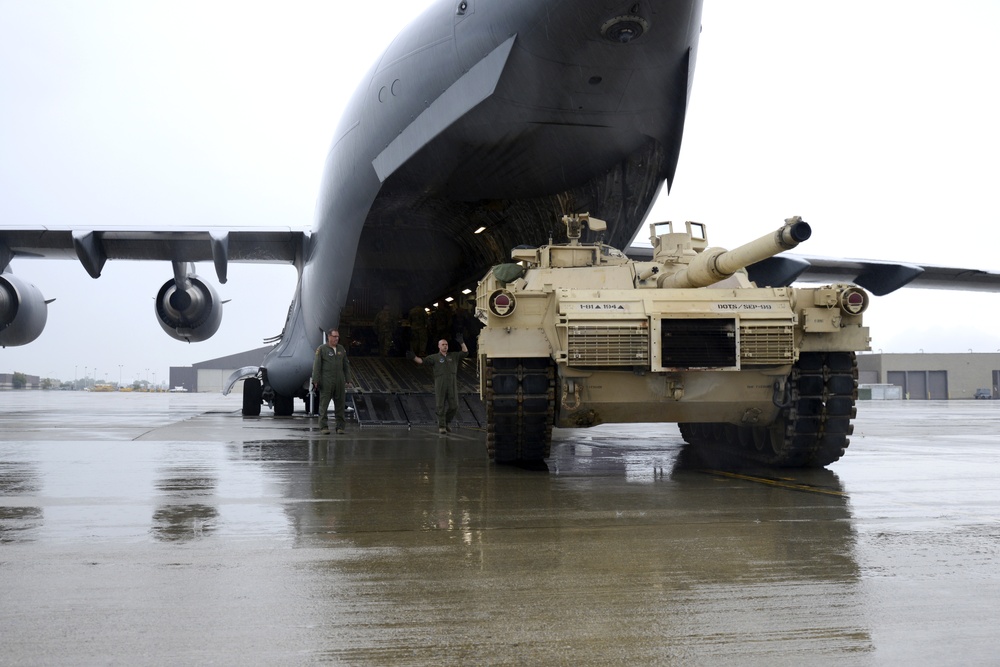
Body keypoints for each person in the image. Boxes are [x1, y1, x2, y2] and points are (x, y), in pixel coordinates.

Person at [408, 334, 468, 434]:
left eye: (446, 344)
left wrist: (462, 342)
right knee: (440, 405)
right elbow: (422, 361)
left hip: (452, 383)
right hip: (440, 383)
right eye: (443, 344)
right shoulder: (434, 358)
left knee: (454, 406)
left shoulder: (453, 356)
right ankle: (442, 426)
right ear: (439, 346)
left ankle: (447, 422)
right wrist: (414, 357)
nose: (445, 346)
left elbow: (465, 353)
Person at [312, 329, 353, 434]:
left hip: (339, 381)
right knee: (324, 405)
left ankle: (340, 427)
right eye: (334, 336)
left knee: (340, 405)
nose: (336, 338)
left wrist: (348, 379)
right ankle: (323, 427)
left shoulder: (341, 349)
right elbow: (317, 366)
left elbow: (346, 365)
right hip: (326, 381)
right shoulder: (322, 349)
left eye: (338, 336)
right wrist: (315, 380)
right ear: (329, 337)